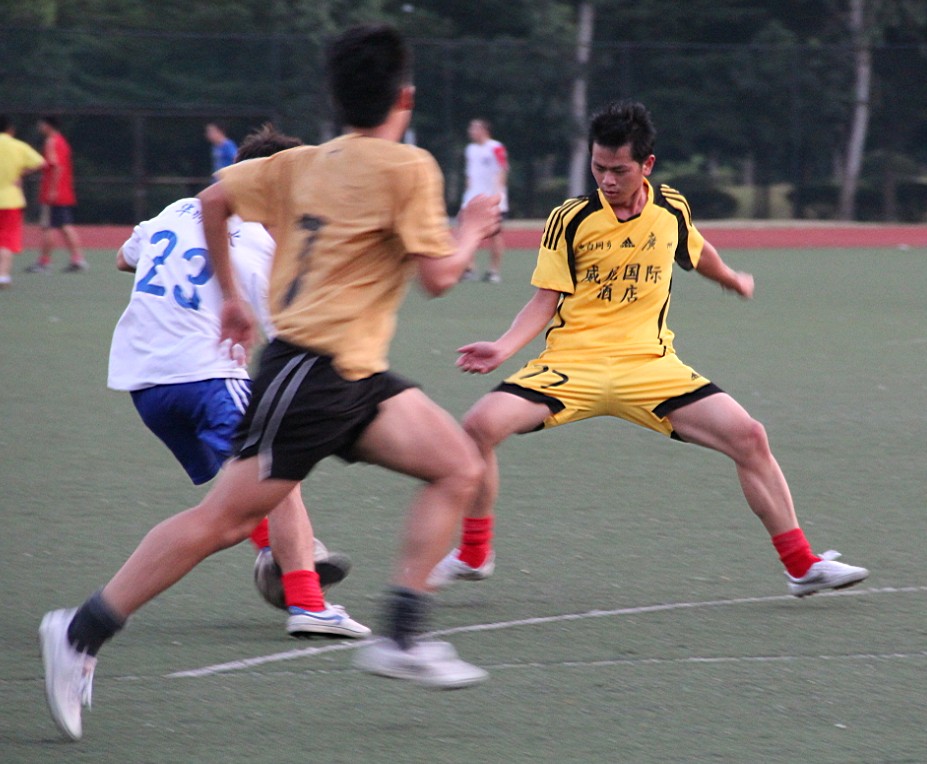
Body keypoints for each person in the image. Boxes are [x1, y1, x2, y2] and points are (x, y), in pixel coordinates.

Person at [40, 24, 501, 742]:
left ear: (336, 98)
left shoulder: (299, 163)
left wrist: (230, 297)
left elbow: (213, 200)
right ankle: (80, 630)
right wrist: (472, 226)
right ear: (405, 97)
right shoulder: (409, 167)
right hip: (311, 374)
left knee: (459, 466)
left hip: (353, 374)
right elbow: (440, 278)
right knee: (224, 522)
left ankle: (401, 637)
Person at [429, 100, 869, 604]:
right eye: (598, 167)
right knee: (477, 428)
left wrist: (730, 279)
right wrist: (503, 347)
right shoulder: (570, 218)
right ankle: (474, 554)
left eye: (619, 170)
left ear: (647, 165)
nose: (607, 179)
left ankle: (802, 566)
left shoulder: (671, 208)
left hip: (650, 367)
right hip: (572, 365)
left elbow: (696, 250)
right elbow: (545, 298)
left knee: (749, 437)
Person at [107, 123, 367, 640]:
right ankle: (307, 600)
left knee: (242, 491)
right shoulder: (266, 241)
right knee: (279, 474)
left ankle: (277, 552)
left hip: (144, 382)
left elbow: (123, 257)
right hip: (206, 376)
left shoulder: (174, 210)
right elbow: (290, 337)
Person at [25, 116, 87, 274]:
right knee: (65, 226)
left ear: (48, 126)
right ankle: (77, 259)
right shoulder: (62, 141)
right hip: (64, 191)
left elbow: (56, 166)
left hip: (53, 193)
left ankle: (44, 262)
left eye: (41, 124)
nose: (39, 127)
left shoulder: (51, 142)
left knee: (48, 227)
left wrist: (53, 189)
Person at [460, 118, 508, 284]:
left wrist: (498, 196)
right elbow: (469, 174)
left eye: (474, 128)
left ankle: (493, 271)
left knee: (494, 235)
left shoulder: (496, 147)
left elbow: (502, 171)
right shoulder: (470, 149)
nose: (471, 131)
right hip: (473, 198)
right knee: (465, 231)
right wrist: (467, 196)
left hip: (491, 198)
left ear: (484, 130)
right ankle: (469, 268)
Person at [0, 116, 45, 289]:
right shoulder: (18, 146)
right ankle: (3, 276)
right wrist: (20, 173)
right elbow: (41, 163)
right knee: (6, 240)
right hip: (11, 200)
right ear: (10, 129)